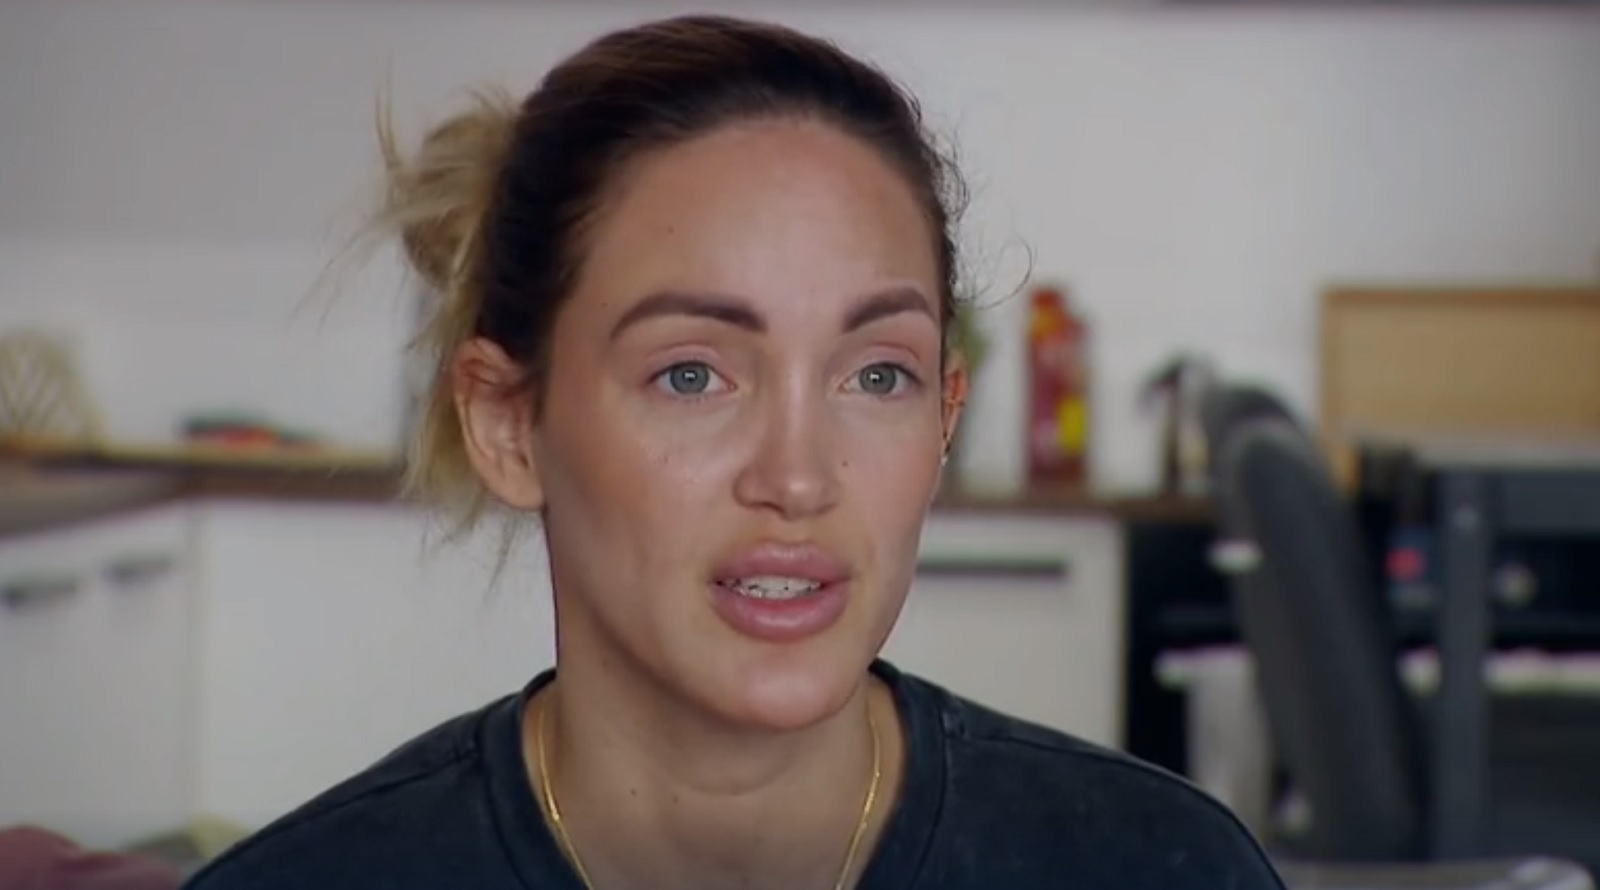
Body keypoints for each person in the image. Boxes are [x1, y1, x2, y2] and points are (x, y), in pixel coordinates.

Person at [184, 14, 1286, 890]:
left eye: (876, 375)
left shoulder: (1155, 866)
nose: (796, 478)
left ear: (945, 416)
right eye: (692, 376)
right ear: (508, 424)